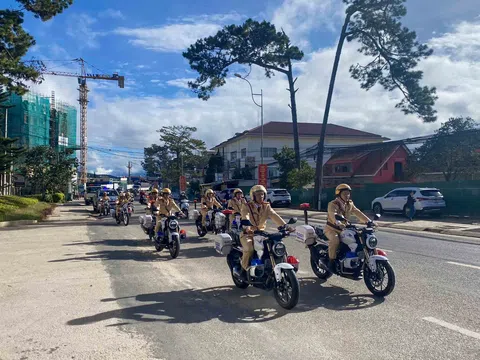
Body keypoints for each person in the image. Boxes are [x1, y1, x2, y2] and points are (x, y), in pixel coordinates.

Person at [237, 185, 294, 276]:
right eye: (258, 194)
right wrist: (247, 227)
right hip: (248, 234)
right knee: (249, 249)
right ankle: (244, 270)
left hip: (262, 234)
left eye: (263, 194)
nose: (261, 197)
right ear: (253, 196)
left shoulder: (266, 206)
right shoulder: (247, 206)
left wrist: (286, 226)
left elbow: (274, 216)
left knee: (274, 246)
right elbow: (245, 215)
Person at [324, 184, 373, 274]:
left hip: (344, 229)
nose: (347, 196)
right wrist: (338, 223)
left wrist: (369, 221)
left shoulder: (349, 204)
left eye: (348, 193)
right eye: (345, 194)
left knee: (357, 239)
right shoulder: (333, 204)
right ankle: (331, 262)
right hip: (332, 229)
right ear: (339, 194)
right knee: (335, 240)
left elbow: (357, 212)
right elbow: (332, 214)